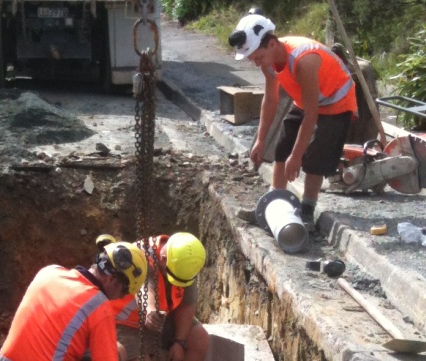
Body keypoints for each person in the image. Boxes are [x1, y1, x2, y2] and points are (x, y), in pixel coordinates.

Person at [229, 13, 359, 229]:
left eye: (256, 56)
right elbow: (270, 100)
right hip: (307, 100)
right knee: (282, 146)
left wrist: (297, 156)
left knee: (316, 158)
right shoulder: (268, 62)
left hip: (336, 100)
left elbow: (312, 114)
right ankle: (273, 205)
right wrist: (260, 140)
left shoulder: (303, 61)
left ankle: (307, 212)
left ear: (271, 44)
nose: (255, 62)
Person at [0, 239, 148, 361]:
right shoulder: (99, 305)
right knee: (119, 351)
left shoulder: (49, 272)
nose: (119, 298)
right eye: (123, 293)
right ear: (112, 280)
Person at [109, 233, 209, 361]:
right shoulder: (139, 256)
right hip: (123, 323)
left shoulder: (185, 262)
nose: (177, 284)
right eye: (173, 277)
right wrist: (150, 310)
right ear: (163, 258)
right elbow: (145, 286)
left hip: (161, 318)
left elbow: (186, 305)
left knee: (199, 339)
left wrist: (180, 342)